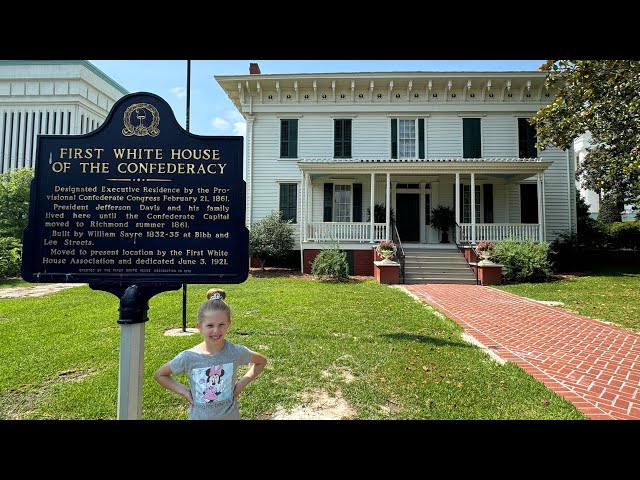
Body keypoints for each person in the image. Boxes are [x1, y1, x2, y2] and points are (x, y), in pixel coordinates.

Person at [154, 289, 267, 420]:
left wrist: (240, 386)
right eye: (209, 325)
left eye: (221, 324)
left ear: (229, 324)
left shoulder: (235, 352)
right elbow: (160, 375)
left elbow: (261, 362)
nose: (216, 330)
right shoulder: (188, 357)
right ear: (199, 326)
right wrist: (184, 392)